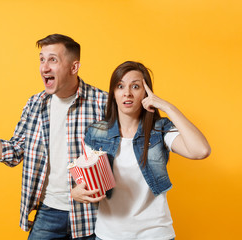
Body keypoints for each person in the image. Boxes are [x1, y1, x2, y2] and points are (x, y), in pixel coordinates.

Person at [0, 34, 108, 239]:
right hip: (48, 212)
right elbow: (13, 153)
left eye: (53, 60)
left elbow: (124, 157)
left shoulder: (103, 103)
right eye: (42, 59)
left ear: (74, 67)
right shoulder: (35, 104)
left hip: (93, 216)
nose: (44, 67)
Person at [71, 61, 211, 240]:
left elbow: (201, 150)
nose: (127, 93)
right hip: (109, 235)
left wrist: (166, 106)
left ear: (146, 93)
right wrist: (76, 192)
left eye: (135, 86)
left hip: (155, 234)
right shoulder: (97, 132)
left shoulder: (160, 129)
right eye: (120, 86)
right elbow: (85, 179)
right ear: (113, 93)